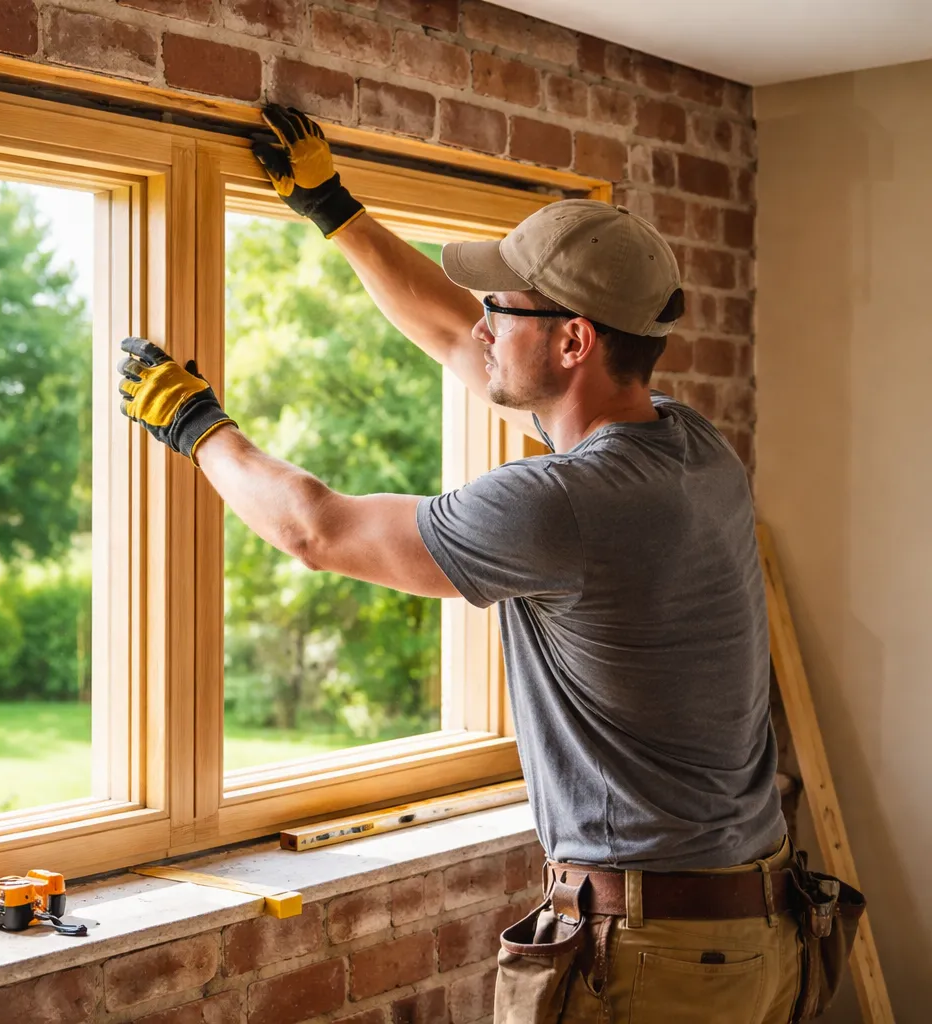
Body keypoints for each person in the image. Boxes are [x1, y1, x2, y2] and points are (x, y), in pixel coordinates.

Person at [115, 104, 806, 1022]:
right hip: (752, 929)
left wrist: (195, 426)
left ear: (574, 341)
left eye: (503, 310)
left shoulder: (561, 504)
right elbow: (456, 339)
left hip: (655, 960)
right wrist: (335, 211)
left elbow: (315, 531)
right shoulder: (690, 445)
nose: (481, 325)